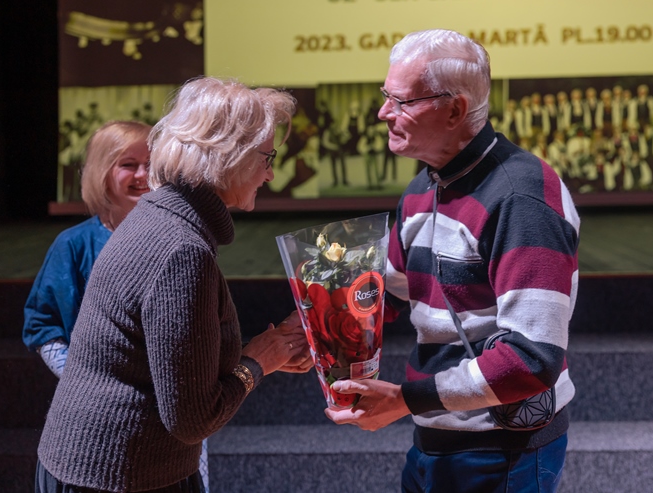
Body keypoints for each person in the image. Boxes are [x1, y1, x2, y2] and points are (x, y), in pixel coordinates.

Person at [325, 29, 580, 493]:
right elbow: (393, 292)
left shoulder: (521, 197)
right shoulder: (422, 188)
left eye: (401, 101)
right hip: (434, 436)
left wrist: (405, 400)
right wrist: (317, 326)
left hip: (503, 448)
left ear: (455, 110)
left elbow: (533, 359)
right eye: (385, 96)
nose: (383, 112)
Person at [34, 77, 312, 493]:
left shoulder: (158, 217)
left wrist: (265, 351)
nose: (271, 174)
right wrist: (256, 364)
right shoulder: (180, 250)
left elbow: (167, 358)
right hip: (118, 477)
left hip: (102, 467)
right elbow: (193, 419)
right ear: (230, 156)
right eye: (266, 157)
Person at [22, 120, 152, 377]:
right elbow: (44, 325)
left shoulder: (176, 237)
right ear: (101, 172)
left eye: (150, 164)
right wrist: (82, 382)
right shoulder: (73, 244)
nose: (142, 175)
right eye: (128, 165)